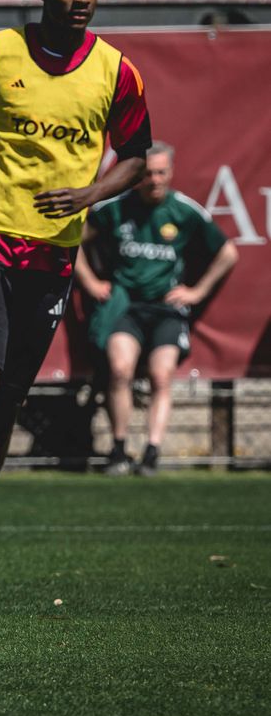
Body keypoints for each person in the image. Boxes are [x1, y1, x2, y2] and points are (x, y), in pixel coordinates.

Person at [0, 0, 152, 577]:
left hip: (53, 253)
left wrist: (89, 193)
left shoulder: (117, 70)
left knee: (9, 399)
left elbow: (136, 155)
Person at [75, 141, 238, 476]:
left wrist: (196, 291)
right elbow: (72, 239)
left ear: (171, 172)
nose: (154, 179)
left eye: (161, 172)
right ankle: (119, 450)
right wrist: (90, 282)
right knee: (120, 369)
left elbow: (228, 253)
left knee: (161, 375)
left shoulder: (184, 211)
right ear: (137, 175)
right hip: (125, 305)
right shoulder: (117, 208)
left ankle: (151, 453)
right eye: (148, 173)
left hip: (166, 308)